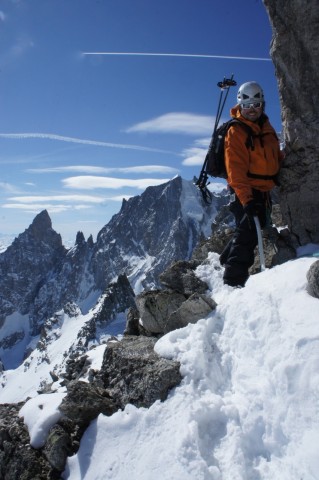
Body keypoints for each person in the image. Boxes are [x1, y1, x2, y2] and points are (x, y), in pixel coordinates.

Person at [220, 81, 283, 287]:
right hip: (245, 190)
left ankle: (224, 259)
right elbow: (235, 170)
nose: (252, 109)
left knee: (255, 229)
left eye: (257, 104)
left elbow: (273, 155)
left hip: (264, 190)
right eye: (247, 105)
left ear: (263, 104)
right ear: (240, 105)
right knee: (248, 234)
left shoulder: (267, 128)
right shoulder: (236, 131)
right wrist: (246, 199)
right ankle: (233, 281)